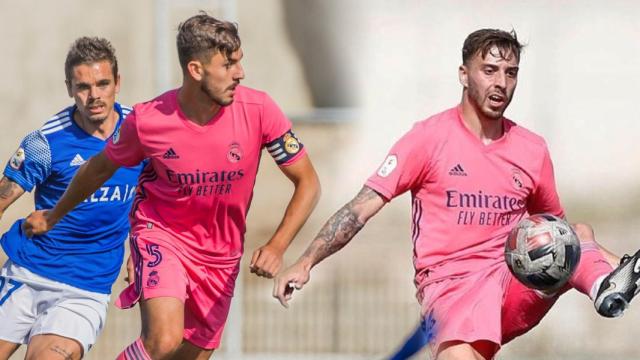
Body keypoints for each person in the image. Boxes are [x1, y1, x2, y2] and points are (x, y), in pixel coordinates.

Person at [273, 28, 640, 359]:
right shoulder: (427, 139)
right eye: (489, 70)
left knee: (575, 234)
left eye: (510, 73)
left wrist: (618, 264)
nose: (501, 83)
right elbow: (359, 209)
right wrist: (306, 261)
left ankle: (604, 290)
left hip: (512, 279)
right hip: (451, 291)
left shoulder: (532, 148)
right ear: (463, 75)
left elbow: (559, 230)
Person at [23, 13, 321, 360]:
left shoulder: (260, 109)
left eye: (239, 62)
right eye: (227, 65)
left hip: (221, 257)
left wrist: (277, 245)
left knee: (183, 355)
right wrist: (53, 216)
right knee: (163, 340)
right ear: (196, 70)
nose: (240, 73)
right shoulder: (149, 120)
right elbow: (98, 169)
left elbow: (308, 183)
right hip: (162, 235)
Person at [0, 37, 142, 360]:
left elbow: (160, 193)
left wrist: (141, 247)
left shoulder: (141, 131)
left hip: (85, 287)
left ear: (117, 83)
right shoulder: (45, 142)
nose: (94, 96)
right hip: (27, 271)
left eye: (103, 84)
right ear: (69, 88)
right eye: (83, 87)